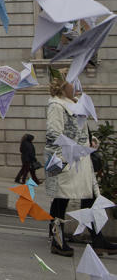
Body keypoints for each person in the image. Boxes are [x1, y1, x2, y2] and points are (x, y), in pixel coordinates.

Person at [45, 69, 117, 257]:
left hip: (82, 159)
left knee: (90, 197)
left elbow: (81, 132)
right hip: (67, 160)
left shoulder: (75, 103)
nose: (77, 86)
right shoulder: (56, 105)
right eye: (72, 82)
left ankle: (98, 238)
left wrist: (91, 142)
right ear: (62, 85)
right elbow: (54, 134)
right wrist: (62, 160)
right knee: (61, 200)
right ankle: (57, 241)